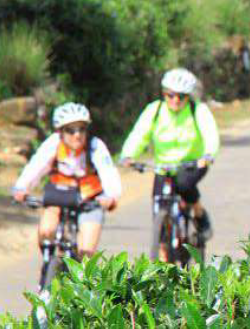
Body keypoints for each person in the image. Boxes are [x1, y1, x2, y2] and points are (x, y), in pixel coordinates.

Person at [12, 103, 121, 269]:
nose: (77, 135)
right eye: (71, 130)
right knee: (46, 230)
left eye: (82, 129)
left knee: (87, 255)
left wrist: (111, 196)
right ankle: (48, 268)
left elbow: (108, 172)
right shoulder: (53, 144)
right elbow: (36, 166)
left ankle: (82, 286)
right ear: (60, 131)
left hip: (89, 200)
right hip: (59, 196)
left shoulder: (95, 146)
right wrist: (21, 188)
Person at [120, 68, 220, 245]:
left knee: (183, 183)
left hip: (192, 163)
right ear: (164, 93)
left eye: (181, 96)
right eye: (170, 95)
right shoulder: (155, 110)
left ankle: (199, 214)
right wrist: (128, 155)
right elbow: (139, 134)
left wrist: (209, 155)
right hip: (163, 166)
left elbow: (210, 134)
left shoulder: (198, 110)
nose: (175, 100)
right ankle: (164, 254)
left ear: (188, 96)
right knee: (158, 204)